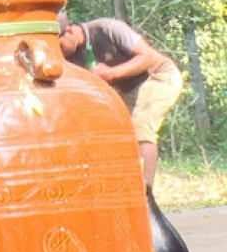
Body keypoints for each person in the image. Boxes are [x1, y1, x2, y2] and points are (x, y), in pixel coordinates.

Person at [58, 11, 183, 187]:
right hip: (129, 91)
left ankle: (145, 196)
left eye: (59, 45)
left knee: (141, 126)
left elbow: (148, 57)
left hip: (159, 77)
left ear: (69, 31)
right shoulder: (68, 57)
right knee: (110, 135)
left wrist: (111, 73)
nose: (58, 51)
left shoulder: (108, 28)